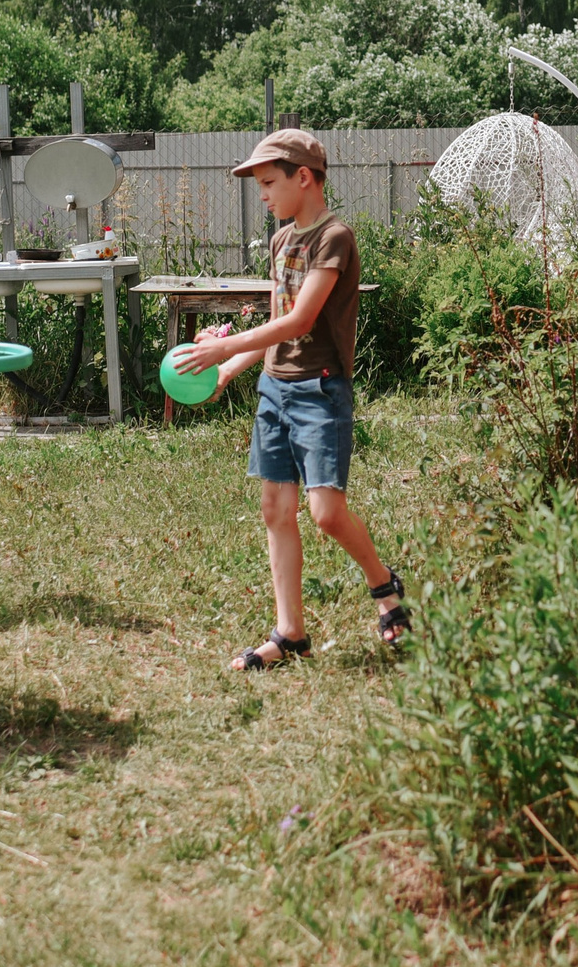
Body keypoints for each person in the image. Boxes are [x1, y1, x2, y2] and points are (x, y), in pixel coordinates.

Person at [167, 128, 407, 672]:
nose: (264, 195)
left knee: (325, 513)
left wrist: (225, 343)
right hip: (275, 389)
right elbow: (279, 323)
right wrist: (230, 366)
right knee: (276, 510)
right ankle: (290, 633)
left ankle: (384, 585)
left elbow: (303, 320)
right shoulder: (281, 241)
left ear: (305, 177)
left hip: (319, 389)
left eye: (270, 182)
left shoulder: (334, 239)